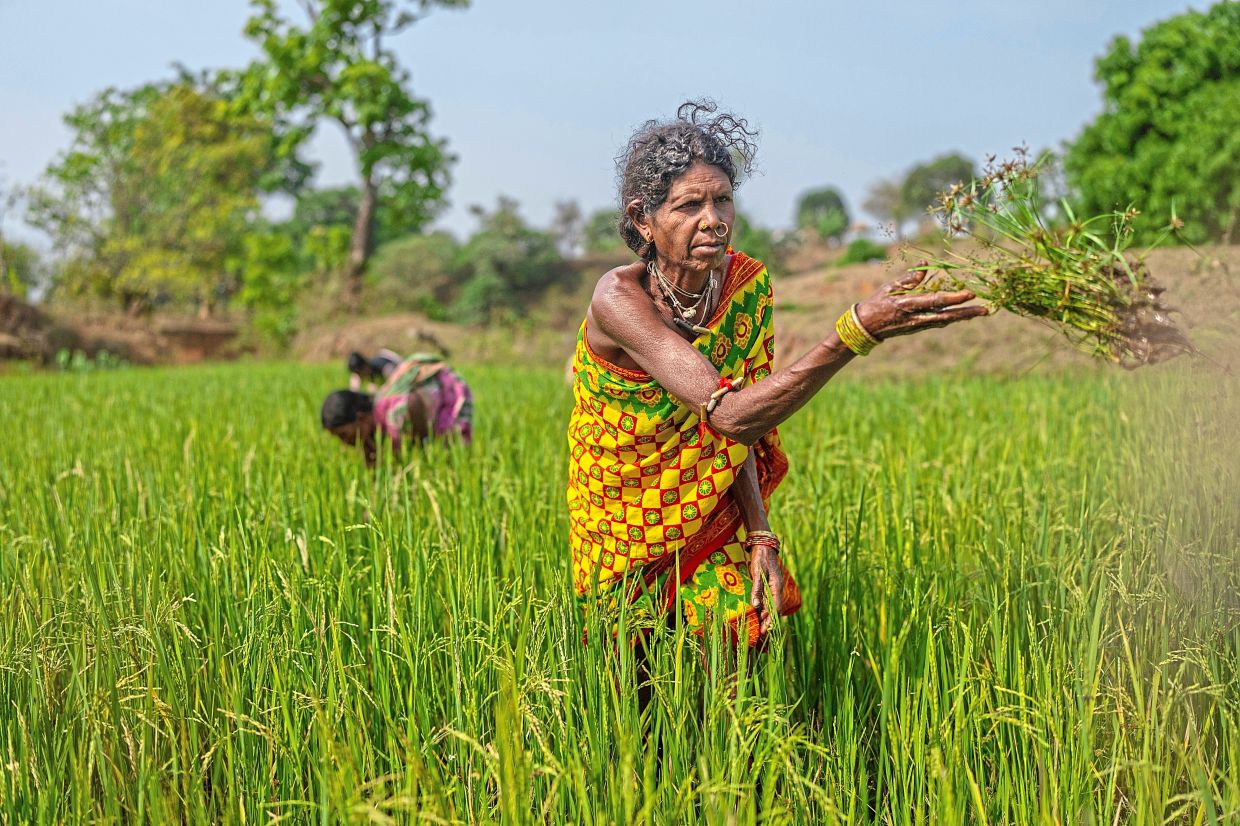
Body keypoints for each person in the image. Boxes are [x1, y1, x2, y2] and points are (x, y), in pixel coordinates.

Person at [567, 101, 986, 649]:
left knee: (740, 636)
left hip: (705, 510)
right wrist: (854, 332)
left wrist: (760, 533)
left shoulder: (745, 287)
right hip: (623, 513)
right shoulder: (618, 299)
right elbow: (731, 414)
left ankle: (724, 738)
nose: (712, 219)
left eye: (722, 199)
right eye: (689, 204)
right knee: (633, 670)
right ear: (643, 218)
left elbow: (734, 436)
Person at [323, 353, 473, 465]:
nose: (344, 442)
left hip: (448, 390)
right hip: (423, 406)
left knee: (452, 455)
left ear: (360, 417)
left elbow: (413, 404)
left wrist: (421, 448)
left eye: (343, 435)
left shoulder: (397, 414)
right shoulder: (372, 429)